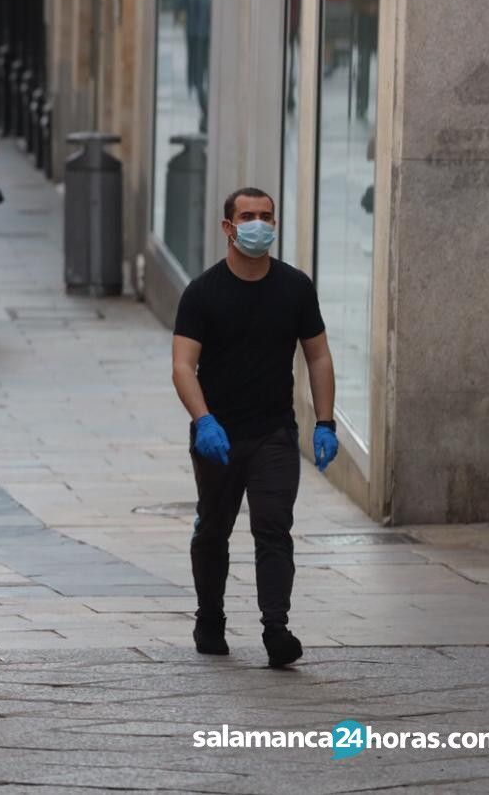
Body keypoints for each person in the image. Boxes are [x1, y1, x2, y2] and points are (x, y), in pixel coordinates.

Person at [172, 188, 338, 670]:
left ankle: (276, 628)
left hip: (274, 433)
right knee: (213, 529)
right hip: (218, 433)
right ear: (228, 227)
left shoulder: (295, 288)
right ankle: (210, 617)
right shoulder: (202, 292)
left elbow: (318, 355)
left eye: (266, 216)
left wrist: (324, 421)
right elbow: (184, 365)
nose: (258, 224)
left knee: (273, 526)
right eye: (247, 216)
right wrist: (203, 420)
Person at [176, 0, 213, 132]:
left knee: (198, 73)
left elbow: (179, 7)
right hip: (209, 34)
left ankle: (205, 107)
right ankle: (208, 108)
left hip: (193, 33)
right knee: (207, 71)